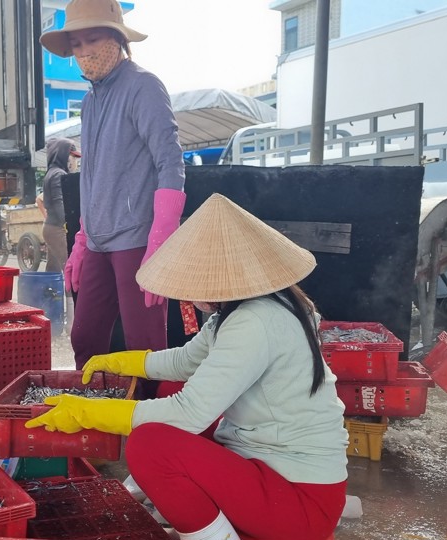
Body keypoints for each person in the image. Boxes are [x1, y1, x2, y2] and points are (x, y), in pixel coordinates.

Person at [26, 194, 348, 540]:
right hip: (269, 469)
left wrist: (89, 412)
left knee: (149, 446)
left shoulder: (255, 321)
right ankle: (180, 501)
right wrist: (121, 360)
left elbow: (190, 413)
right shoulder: (255, 306)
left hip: (300, 501)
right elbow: (186, 362)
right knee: (172, 387)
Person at [39, 0, 186, 378]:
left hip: (136, 239)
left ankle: (147, 423)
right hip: (99, 241)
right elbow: (92, 175)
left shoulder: (143, 86)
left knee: (145, 343)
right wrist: (81, 242)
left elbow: (169, 161)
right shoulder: (89, 103)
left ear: (117, 38)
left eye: (93, 39)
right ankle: (94, 414)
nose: (85, 51)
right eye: (76, 44)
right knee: (84, 337)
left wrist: (160, 239)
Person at [41, 137, 81, 272]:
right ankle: (70, 294)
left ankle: (48, 293)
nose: (75, 162)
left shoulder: (52, 172)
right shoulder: (59, 174)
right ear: (64, 156)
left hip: (50, 227)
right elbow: (60, 206)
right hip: (58, 229)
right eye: (73, 157)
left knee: (53, 269)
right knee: (71, 267)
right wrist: (71, 224)